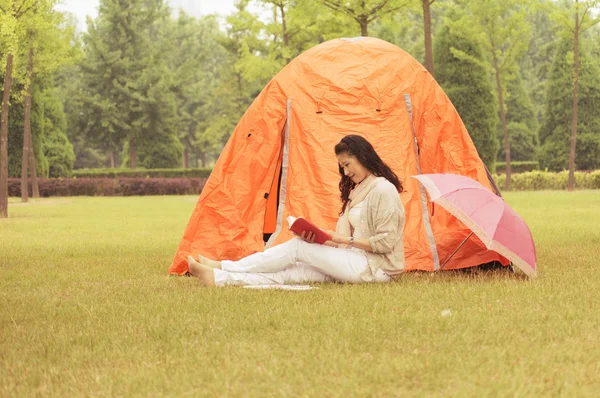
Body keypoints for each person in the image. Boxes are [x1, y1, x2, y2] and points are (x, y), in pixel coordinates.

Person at [188, 134, 406, 286]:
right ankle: (219, 279)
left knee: (296, 248)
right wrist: (321, 238)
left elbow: (385, 243)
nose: (345, 172)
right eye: (342, 167)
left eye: (348, 164)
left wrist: (341, 240)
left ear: (363, 157)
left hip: (376, 269)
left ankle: (226, 266)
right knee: (295, 272)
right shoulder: (358, 191)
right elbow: (350, 238)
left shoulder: (383, 190)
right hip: (353, 261)